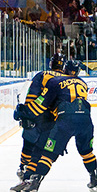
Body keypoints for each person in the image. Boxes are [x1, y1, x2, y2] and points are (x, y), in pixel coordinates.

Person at [11, 60, 97, 192]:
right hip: (86, 120)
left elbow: (40, 104)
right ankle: (95, 180)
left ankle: (34, 184)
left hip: (66, 120)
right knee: (86, 152)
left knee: (47, 154)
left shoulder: (55, 81)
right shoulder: (83, 83)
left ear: (64, 69)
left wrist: (24, 112)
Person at [11, 52, 66, 183]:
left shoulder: (43, 75)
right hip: (55, 118)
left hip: (37, 114)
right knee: (43, 149)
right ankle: (33, 174)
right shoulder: (67, 79)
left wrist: (26, 113)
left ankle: (24, 168)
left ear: (51, 63)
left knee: (29, 143)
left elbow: (32, 95)